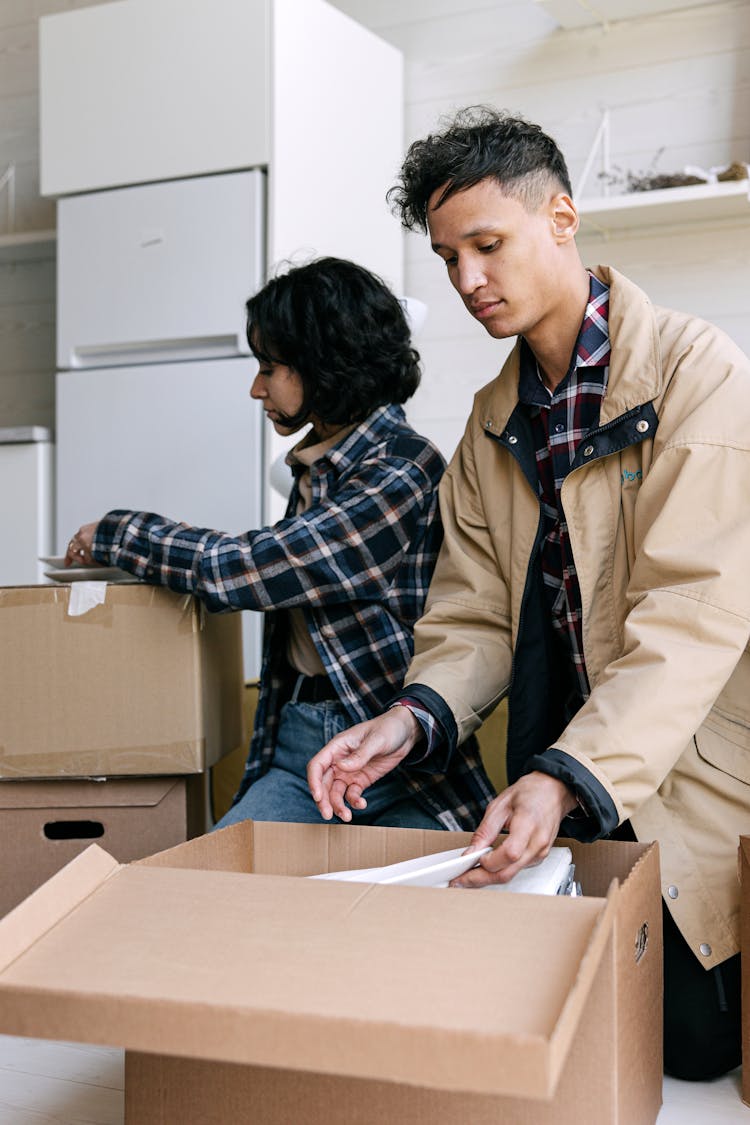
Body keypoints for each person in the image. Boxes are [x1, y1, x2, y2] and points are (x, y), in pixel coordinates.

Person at [306, 109, 750, 1080]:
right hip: (556, 767)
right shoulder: (492, 422)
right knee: (539, 1014)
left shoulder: (696, 374)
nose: (467, 280)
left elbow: (694, 623)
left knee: (689, 1046)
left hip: (679, 765)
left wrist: (570, 778)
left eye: (488, 245)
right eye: (448, 255)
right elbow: (470, 610)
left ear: (562, 217)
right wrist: (415, 716)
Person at [64, 256, 454, 831]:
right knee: (210, 889)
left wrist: (121, 534)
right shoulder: (317, 467)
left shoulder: (404, 465)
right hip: (300, 752)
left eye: (270, 367)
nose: (256, 388)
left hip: (398, 766)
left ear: (327, 364)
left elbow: (260, 566)